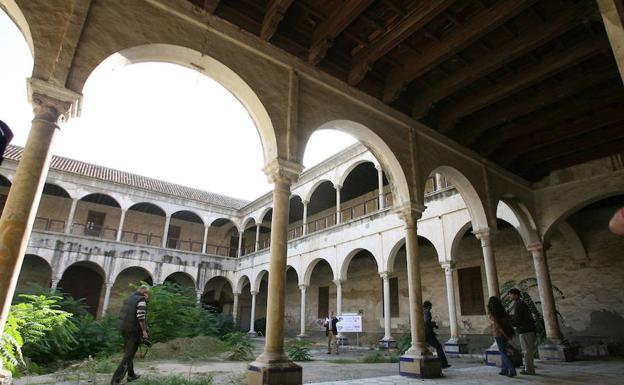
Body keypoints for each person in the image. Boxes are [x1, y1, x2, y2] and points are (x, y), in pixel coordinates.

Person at [111, 285, 150, 385]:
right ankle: (116, 380)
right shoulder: (141, 300)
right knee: (129, 355)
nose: (148, 296)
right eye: (148, 294)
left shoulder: (130, 298)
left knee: (128, 352)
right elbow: (141, 317)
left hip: (124, 328)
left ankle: (131, 375)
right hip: (133, 330)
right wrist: (144, 331)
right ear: (145, 293)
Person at [508, 288, 536, 375]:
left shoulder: (519, 304)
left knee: (526, 351)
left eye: (510, 294)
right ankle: (528, 368)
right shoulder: (520, 303)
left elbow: (518, 319)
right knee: (527, 350)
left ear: (516, 295)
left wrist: (509, 319)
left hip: (525, 330)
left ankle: (529, 370)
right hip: (526, 329)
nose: (509, 296)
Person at [487, 296, 516, 378]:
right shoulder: (503, 312)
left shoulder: (493, 314)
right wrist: (508, 335)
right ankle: (504, 370)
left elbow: (498, 327)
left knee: (503, 352)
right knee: (504, 351)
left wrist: (505, 335)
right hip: (506, 333)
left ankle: (512, 369)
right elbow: (508, 323)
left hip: (499, 335)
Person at [423, 300, 450, 368]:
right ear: (428, 306)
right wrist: (433, 324)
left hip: (423, 333)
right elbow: (426, 322)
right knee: (439, 347)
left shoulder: (420, 312)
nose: (430, 309)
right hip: (428, 333)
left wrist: (433, 325)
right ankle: (443, 363)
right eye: (430, 307)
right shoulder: (427, 312)